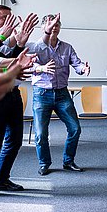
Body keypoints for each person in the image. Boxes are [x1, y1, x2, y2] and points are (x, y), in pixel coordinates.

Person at [0, 3, 38, 201]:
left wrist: (19, 44)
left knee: (15, 140)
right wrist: (9, 40)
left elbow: (12, 62)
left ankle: (1, 179)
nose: (11, 22)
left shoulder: (9, 40)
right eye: (5, 17)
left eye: (11, 18)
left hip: (13, 93)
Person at [27, 13, 90, 175]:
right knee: (41, 134)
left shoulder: (67, 47)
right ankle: (44, 163)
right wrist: (41, 68)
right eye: (50, 24)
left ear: (60, 28)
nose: (54, 27)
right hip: (41, 94)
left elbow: (77, 64)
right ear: (43, 28)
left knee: (75, 128)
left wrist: (84, 68)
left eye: (57, 24)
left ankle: (68, 161)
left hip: (62, 94)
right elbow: (26, 67)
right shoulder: (36, 47)